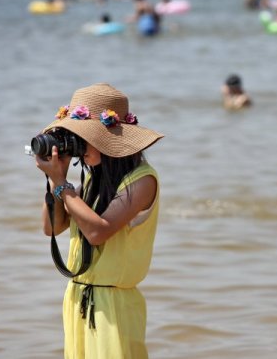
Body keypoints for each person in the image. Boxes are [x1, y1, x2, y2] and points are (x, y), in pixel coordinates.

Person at [34, 83, 164, 358]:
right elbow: (52, 227)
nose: (77, 146)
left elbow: (97, 233)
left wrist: (61, 184)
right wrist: (55, 179)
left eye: (83, 137)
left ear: (108, 139)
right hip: (77, 298)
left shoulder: (142, 180)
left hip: (113, 306)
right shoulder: (93, 178)